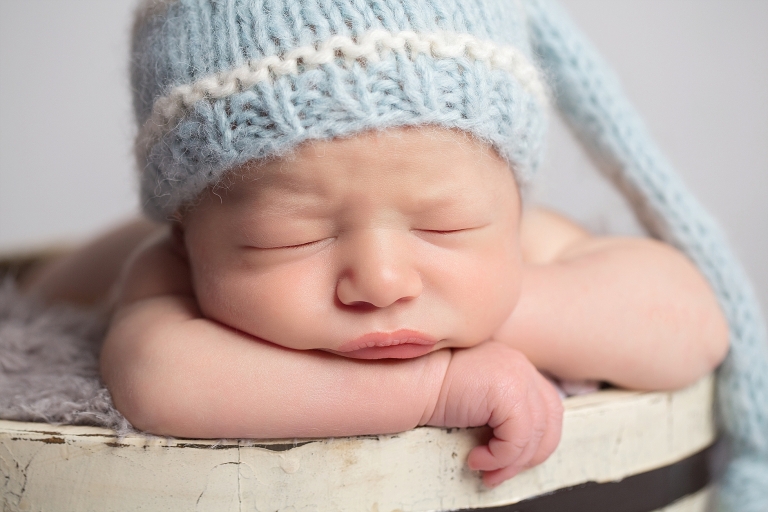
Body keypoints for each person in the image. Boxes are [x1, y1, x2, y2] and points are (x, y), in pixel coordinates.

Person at [24, 0, 733, 491]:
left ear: (512, 203)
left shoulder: (520, 243)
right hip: (85, 269)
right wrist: (434, 384)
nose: (384, 280)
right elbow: (154, 376)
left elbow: (692, 322)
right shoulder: (167, 267)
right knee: (65, 277)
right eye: (290, 237)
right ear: (187, 235)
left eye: (442, 227)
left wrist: (494, 310)